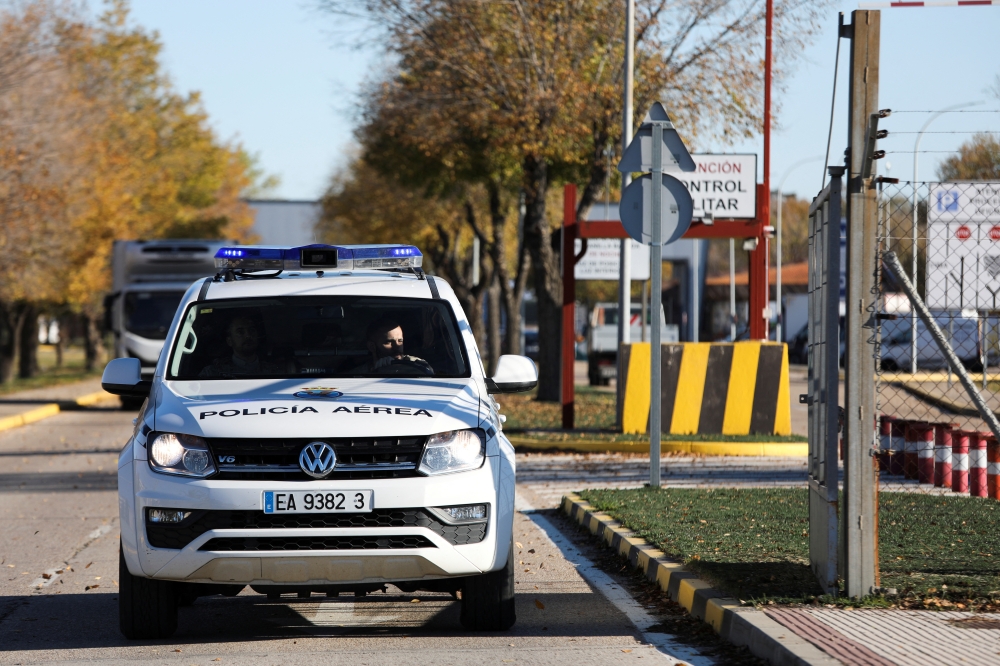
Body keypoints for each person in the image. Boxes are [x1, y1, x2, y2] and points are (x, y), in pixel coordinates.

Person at [200, 316, 288, 378]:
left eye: (251, 330)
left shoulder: (274, 372)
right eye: (240, 332)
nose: (248, 336)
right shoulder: (214, 372)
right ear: (229, 341)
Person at [353, 317, 433, 375]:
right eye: (389, 342)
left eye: (400, 340)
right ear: (372, 346)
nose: (397, 346)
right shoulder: (357, 375)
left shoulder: (418, 364)